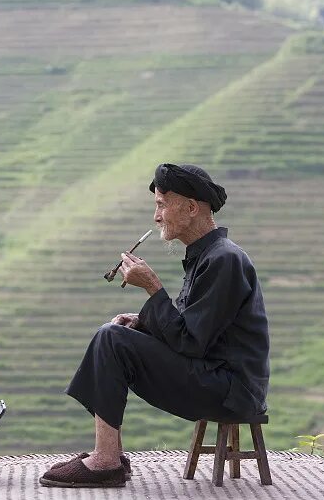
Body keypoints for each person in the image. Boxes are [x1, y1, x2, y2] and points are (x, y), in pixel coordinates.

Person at [40, 163, 269, 488]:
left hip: (231, 391)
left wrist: (152, 287)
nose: (156, 216)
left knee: (112, 339)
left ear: (190, 208)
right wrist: (143, 322)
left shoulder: (224, 260)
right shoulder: (207, 256)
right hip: (215, 377)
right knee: (117, 334)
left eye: (162, 205)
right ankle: (111, 457)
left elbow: (191, 342)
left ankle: (106, 462)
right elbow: (190, 327)